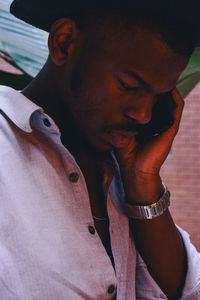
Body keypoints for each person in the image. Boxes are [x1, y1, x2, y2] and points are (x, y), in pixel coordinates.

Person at [0, 0, 200, 299]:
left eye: (157, 96)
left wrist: (143, 182)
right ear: (65, 42)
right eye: (130, 85)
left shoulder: (124, 168)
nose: (143, 115)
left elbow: (184, 292)